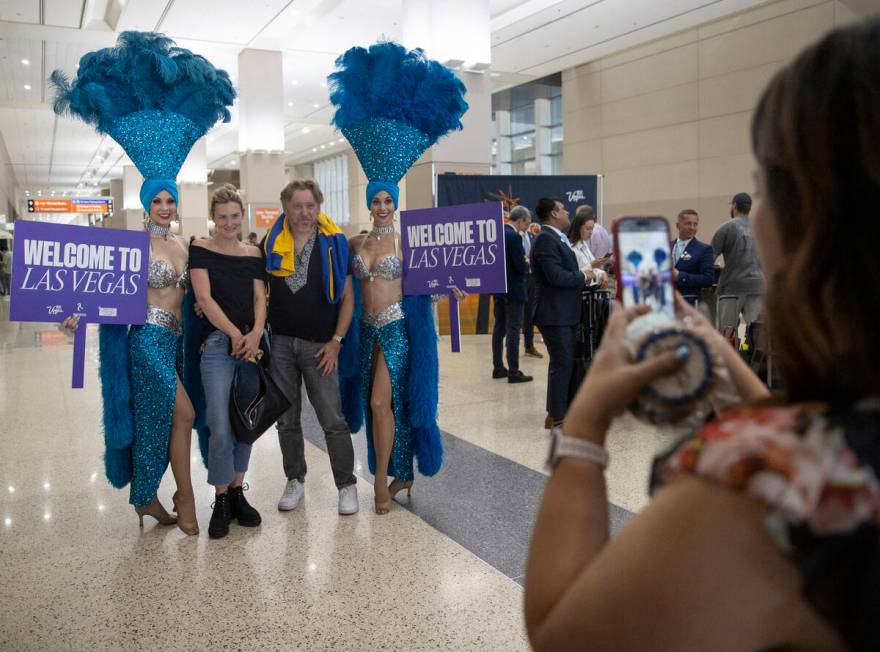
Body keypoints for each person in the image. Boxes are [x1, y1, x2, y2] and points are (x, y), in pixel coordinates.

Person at [524, 17, 880, 650]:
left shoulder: (764, 485)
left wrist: (585, 426)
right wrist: (730, 366)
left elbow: (562, 633)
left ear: (814, 219)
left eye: (766, 185)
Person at [53, 31, 235, 536]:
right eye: (158, 201)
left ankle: (147, 499)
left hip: (175, 343)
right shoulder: (129, 247)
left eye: (170, 200)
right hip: (146, 343)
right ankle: (185, 498)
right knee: (186, 410)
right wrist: (77, 316)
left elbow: (203, 290)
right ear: (147, 202)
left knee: (170, 422)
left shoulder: (184, 246)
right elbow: (100, 291)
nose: (166, 207)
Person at [329, 41, 468, 514]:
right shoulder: (357, 244)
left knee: (380, 403)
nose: (383, 207)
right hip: (364, 333)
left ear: (396, 202)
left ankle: (380, 485)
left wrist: (450, 288)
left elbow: (440, 278)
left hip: (397, 331)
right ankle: (397, 469)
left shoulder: (411, 242)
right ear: (370, 202)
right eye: (377, 200)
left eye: (388, 200)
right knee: (377, 406)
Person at [262, 179, 358, 516]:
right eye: (297, 206)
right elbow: (256, 294)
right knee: (286, 420)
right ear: (285, 207)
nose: (304, 213)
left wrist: (336, 342)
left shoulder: (335, 243)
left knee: (332, 419)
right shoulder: (270, 243)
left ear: (318, 206)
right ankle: (295, 480)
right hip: (281, 345)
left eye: (310, 206)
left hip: (321, 347)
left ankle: (346, 485)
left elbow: (347, 298)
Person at [189, 184, 266, 539]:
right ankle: (219, 498)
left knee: (245, 422)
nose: (229, 222)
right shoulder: (200, 249)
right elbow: (203, 297)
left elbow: (259, 298)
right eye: (222, 217)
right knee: (219, 425)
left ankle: (237, 491)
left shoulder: (252, 253)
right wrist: (235, 334)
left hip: (251, 344)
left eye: (235, 216)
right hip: (219, 344)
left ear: (242, 216)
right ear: (213, 217)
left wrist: (253, 335)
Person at [530, 197, 591, 430]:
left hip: (565, 311)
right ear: (554, 214)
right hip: (554, 313)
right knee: (562, 362)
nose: (567, 213)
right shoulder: (546, 239)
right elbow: (556, 277)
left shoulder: (557, 238)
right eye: (563, 209)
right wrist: (586, 276)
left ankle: (556, 411)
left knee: (563, 362)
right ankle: (558, 417)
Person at [712, 192, 764, 331]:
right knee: (756, 332)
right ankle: (751, 352)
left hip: (732, 287)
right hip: (758, 287)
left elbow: (710, 258)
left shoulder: (725, 228)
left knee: (726, 332)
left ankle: (729, 353)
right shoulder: (762, 229)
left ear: (734, 205)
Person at [492, 206, 533, 383]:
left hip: (498, 286)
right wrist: (528, 264)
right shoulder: (514, 236)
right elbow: (519, 265)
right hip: (514, 289)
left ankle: (498, 367)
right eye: (527, 223)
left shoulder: (497, 233)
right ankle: (514, 371)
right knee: (514, 329)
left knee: (499, 327)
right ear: (520, 220)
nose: (527, 227)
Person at [671, 209, 714, 305]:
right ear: (678, 226)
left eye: (695, 224)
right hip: (666, 303)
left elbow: (708, 279)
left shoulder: (704, 249)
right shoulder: (666, 246)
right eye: (688, 224)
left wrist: (680, 276)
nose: (692, 228)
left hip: (689, 304)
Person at [519, 209, 543, 359]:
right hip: (519, 279)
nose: (529, 224)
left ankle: (529, 345)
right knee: (516, 315)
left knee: (529, 313)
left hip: (531, 278)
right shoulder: (514, 237)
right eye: (527, 221)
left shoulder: (532, 235)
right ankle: (511, 344)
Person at [567, 208, 607, 286]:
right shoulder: (571, 249)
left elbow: (594, 270)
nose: (591, 232)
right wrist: (592, 265)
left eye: (592, 229)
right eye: (588, 228)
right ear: (578, 228)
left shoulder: (584, 245)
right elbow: (572, 275)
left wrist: (603, 273)